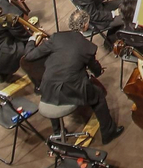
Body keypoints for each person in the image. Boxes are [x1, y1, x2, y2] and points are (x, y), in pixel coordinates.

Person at [25, 9, 125, 145]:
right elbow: (95, 69)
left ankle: (57, 132)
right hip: (70, 89)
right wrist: (97, 71)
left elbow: (29, 56)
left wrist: (32, 39)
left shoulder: (56, 37)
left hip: (48, 87)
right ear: (85, 25)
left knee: (53, 92)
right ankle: (108, 133)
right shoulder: (87, 46)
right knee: (99, 96)